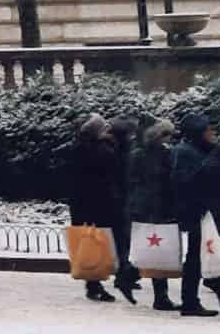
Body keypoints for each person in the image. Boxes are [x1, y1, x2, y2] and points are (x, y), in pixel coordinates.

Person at [170, 113, 220, 321]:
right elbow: (185, 181)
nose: (212, 133)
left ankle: (191, 302)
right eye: (208, 130)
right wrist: (213, 161)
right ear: (198, 133)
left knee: (197, 258)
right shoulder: (184, 152)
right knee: (211, 253)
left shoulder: (202, 151)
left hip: (207, 211)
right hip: (198, 212)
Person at [67, 114, 124, 304]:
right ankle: (94, 284)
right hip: (94, 204)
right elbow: (110, 169)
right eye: (104, 129)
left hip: (90, 204)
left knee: (96, 243)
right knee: (95, 243)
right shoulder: (95, 150)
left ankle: (94, 283)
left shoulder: (83, 148)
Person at [126, 117, 178, 311]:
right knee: (154, 249)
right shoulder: (144, 155)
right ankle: (135, 280)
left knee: (157, 249)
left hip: (156, 205)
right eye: (167, 135)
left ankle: (158, 294)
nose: (170, 139)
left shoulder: (163, 154)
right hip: (151, 206)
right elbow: (133, 180)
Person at [107, 114, 142, 303]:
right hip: (120, 202)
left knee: (124, 240)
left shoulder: (119, 149)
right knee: (123, 239)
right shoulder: (119, 151)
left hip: (121, 200)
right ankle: (124, 275)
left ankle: (125, 274)